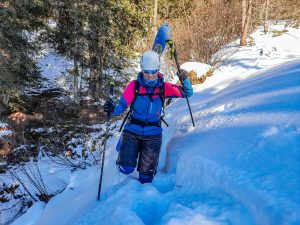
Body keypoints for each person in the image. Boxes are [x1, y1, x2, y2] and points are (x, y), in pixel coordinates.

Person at [104, 50, 193, 184]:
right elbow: (121, 106)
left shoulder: (164, 87)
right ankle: (123, 142)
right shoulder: (134, 86)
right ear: (142, 69)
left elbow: (187, 93)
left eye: (153, 72)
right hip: (132, 131)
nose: (150, 75)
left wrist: (184, 79)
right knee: (125, 168)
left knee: (146, 178)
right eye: (146, 72)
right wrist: (111, 109)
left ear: (158, 70)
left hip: (153, 134)